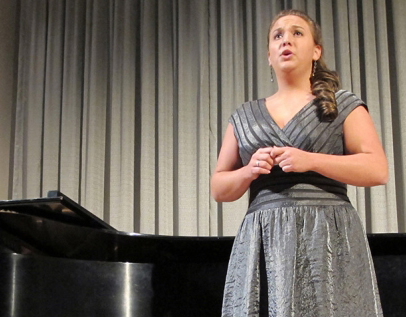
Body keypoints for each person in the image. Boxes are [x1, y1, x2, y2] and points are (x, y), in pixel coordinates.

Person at [211, 9, 387, 317]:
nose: (285, 41)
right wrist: (249, 170)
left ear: (316, 51)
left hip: (328, 236)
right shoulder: (244, 116)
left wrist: (311, 160)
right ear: (269, 55)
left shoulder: (343, 104)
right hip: (264, 239)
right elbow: (219, 188)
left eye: (297, 33)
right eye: (278, 35)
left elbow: (377, 169)